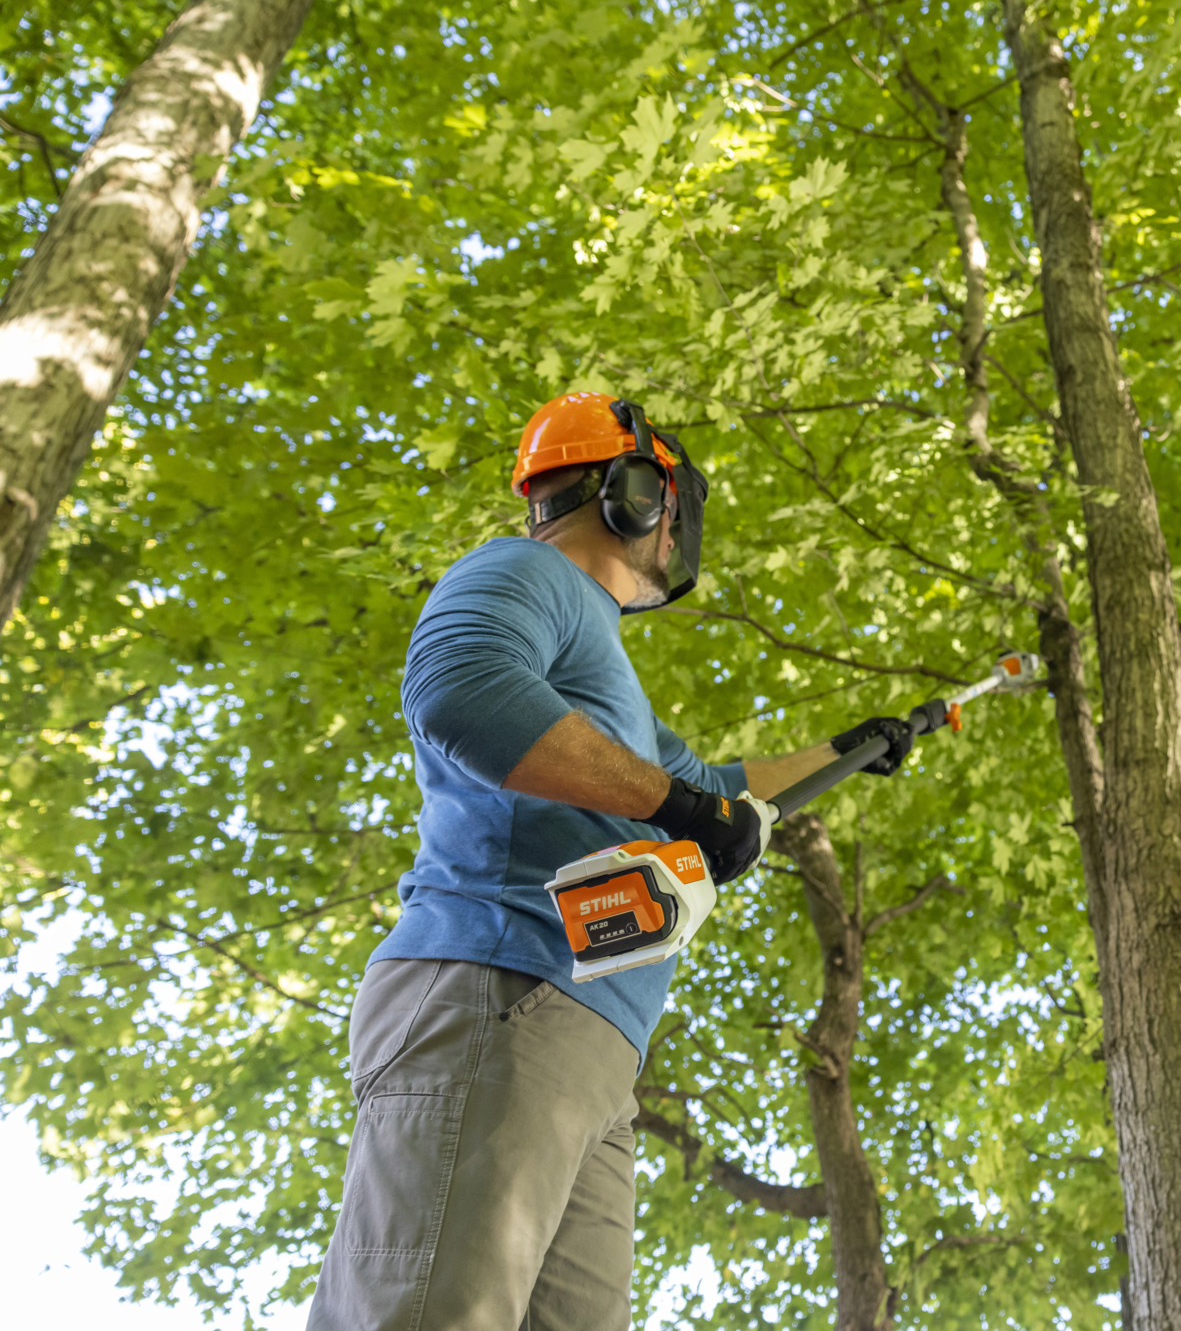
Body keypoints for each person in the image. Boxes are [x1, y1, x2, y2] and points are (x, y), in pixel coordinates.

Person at [307, 391, 914, 1331]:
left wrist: (850, 749)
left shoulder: (610, 682)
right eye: (673, 502)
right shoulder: (527, 569)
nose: (679, 529)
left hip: (590, 1046)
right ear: (633, 493)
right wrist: (680, 807)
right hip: (498, 985)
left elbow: (713, 788)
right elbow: (461, 686)